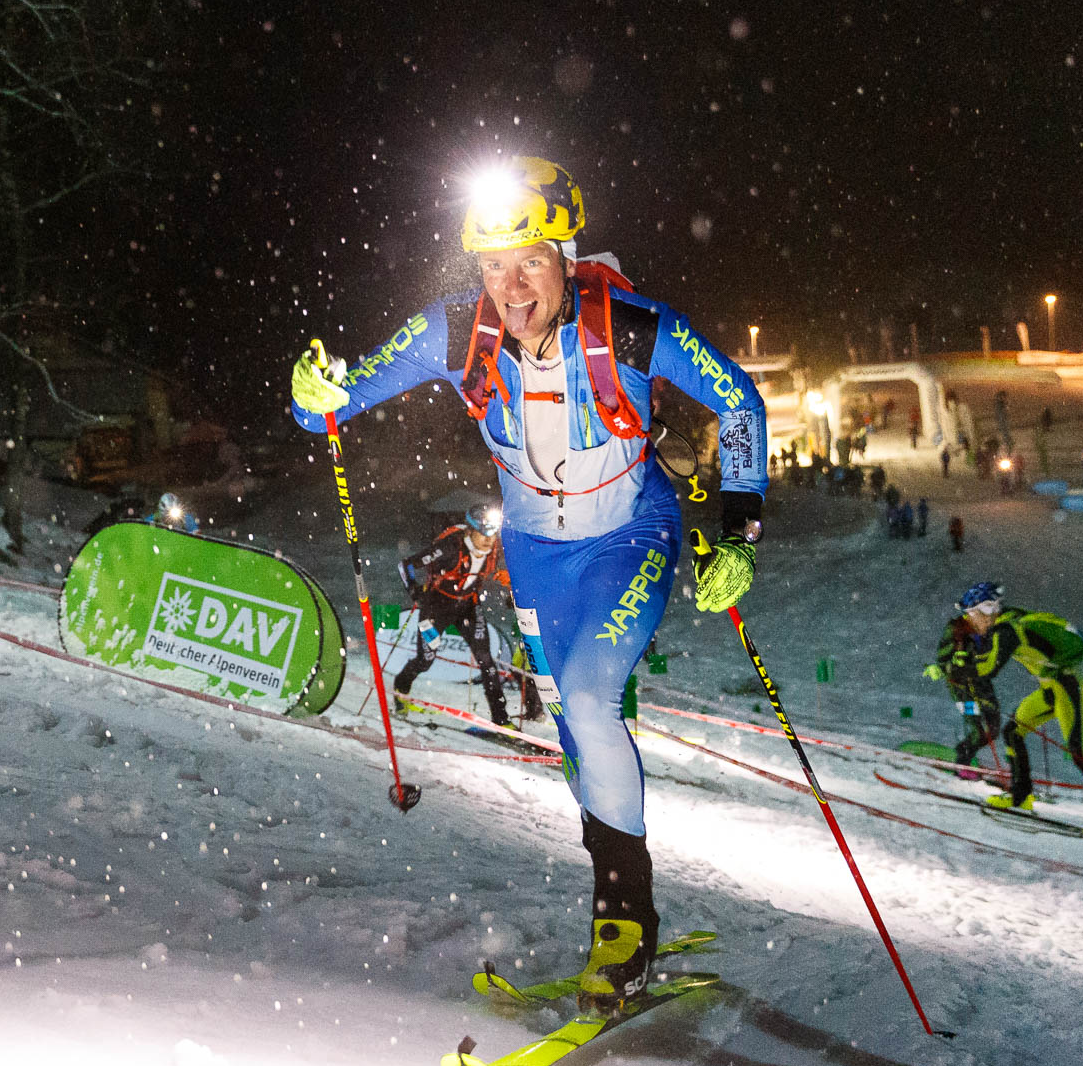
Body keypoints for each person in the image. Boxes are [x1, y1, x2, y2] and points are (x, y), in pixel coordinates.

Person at [289, 155, 768, 1011]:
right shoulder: (452, 333)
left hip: (633, 538)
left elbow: (737, 399)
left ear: (565, 255)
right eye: (492, 267)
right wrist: (309, 392)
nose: (511, 288)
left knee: (588, 697)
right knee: (580, 739)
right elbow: (334, 401)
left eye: (530, 262)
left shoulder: (628, 327)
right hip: (539, 561)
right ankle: (620, 905)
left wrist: (740, 531)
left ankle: (624, 921)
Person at [927, 583, 1083, 840]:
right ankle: (1021, 798)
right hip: (1051, 686)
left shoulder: (1006, 630)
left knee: (1080, 752)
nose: (970, 621)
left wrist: (952, 669)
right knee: (1013, 732)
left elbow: (989, 668)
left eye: (972, 614)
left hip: (1068, 686)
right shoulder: (1009, 621)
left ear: (986, 611)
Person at [392, 503, 514, 728]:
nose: (488, 540)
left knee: (486, 662)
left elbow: (501, 573)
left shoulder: (494, 550)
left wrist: (513, 590)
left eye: (492, 534)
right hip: (436, 608)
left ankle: (501, 720)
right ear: (470, 531)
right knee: (425, 660)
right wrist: (414, 590)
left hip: (468, 605)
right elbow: (406, 565)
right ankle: (401, 687)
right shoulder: (450, 548)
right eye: (483, 534)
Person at [924, 613, 1001, 781]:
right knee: (976, 725)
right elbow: (943, 661)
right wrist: (957, 666)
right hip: (961, 689)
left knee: (993, 727)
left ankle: (965, 755)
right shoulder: (957, 629)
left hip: (982, 686)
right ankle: (963, 763)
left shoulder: (990, 629)